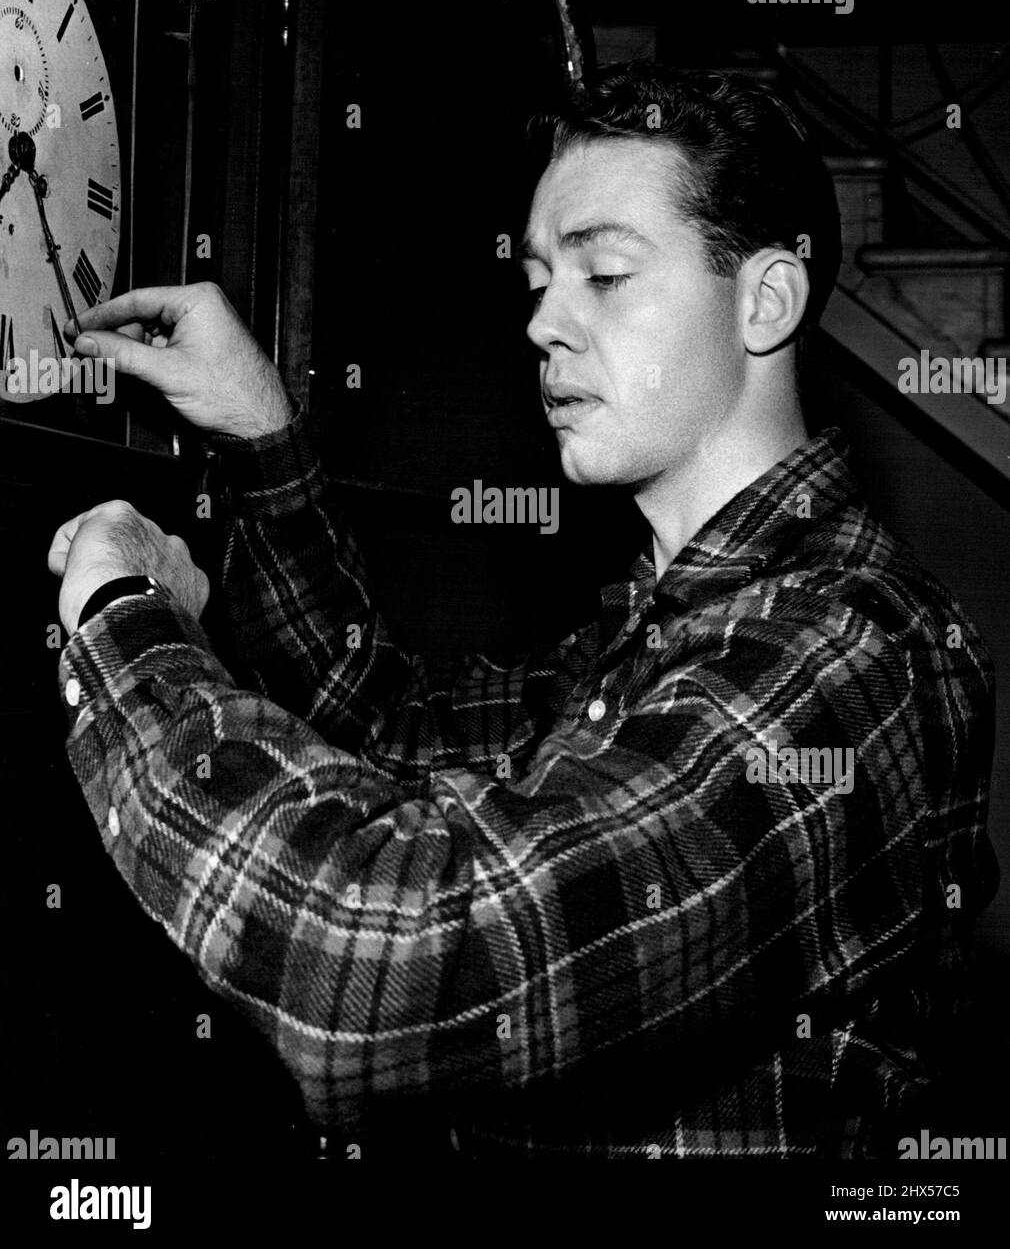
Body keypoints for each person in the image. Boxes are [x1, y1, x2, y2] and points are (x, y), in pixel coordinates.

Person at [48, 66, 997, 1159]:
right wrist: (265, 431)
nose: (543, 319)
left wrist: (120, 618)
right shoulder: (672, 627)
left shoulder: (837, 654)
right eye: (541, 278)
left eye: (602, 271)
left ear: (763, 300)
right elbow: (391, 727)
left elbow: (377, 975)